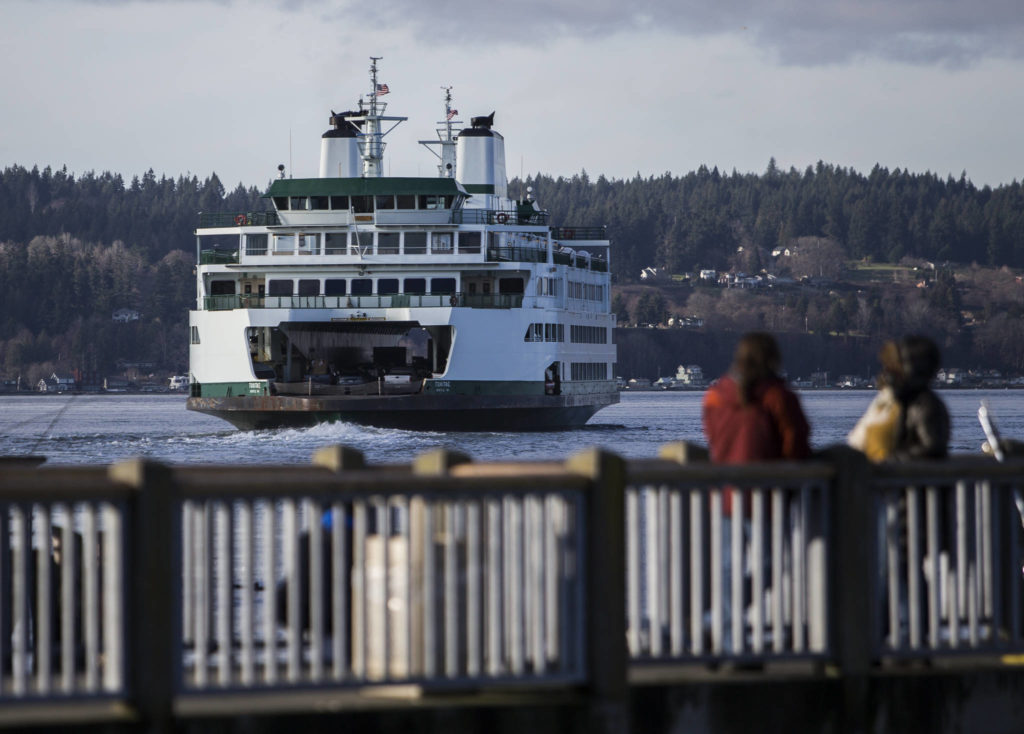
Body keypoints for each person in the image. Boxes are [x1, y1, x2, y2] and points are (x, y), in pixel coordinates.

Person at [702, 332, 811, 466]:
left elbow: (712, 438)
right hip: (773, 482)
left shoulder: (715, 396)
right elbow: (795, 446)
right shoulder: (778, 397)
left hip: (725, 484)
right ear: (773, 359)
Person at [848, 335, 949, 461]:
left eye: (894, 366)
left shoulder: (923, 404)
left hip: (905, 477)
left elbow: (933, 447)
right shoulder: (893, 401)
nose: (887, 372)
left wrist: (890, 459)